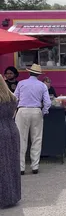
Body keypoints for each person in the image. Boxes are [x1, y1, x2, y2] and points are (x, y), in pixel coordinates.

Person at [14, 64, 51, 175]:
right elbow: (48, 103)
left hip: (22, 111)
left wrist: (15, 111)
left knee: (21, 139)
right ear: (39, 75)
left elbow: (15, 98)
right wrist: (43, 112)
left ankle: (21, 167)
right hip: (36, 111)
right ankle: (35, 166)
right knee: (36, 139)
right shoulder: (42, 86)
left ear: (29, 73)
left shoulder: (21, 83)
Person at [0, 74, 21, 209]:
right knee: (12, 163)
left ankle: (3, 197)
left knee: (2, 166)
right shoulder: (12, 98)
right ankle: (13, 196)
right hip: (12, 130)